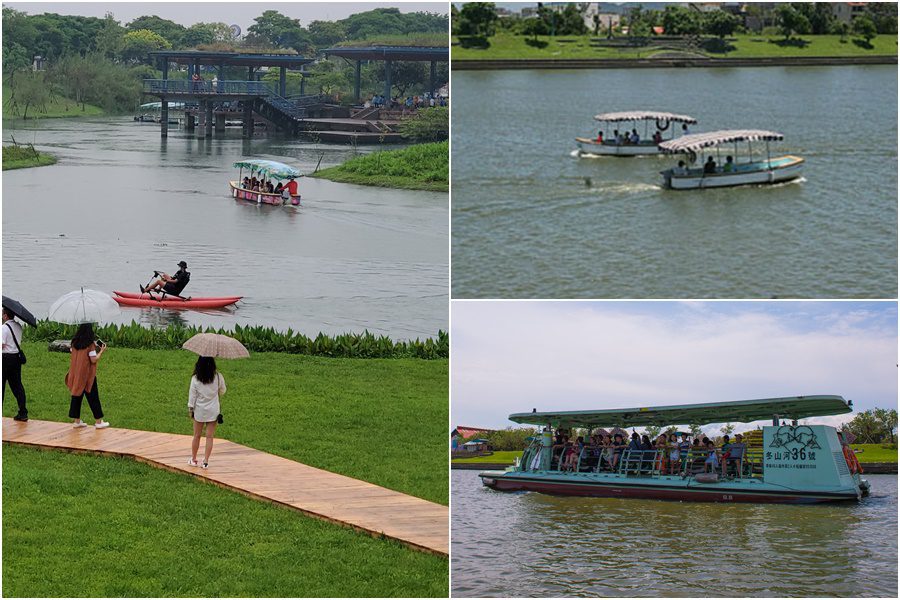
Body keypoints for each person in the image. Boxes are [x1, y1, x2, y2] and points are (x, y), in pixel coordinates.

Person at [66, 323, 109, 429]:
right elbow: (93, 360)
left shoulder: (74, 343)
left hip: (75, 373)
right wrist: (101, 352)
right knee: (93, 397)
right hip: (87, 375)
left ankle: (77, 420)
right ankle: (99, 421)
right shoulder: (90, 345)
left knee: (76, 395)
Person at [188, 356, 226, 469]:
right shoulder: (218, 377)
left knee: (197, 435)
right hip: (213, 410)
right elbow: (223, 390)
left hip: (199, 410)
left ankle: (194, 459)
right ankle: (205, 461)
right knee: (209, 437)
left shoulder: (195, 379)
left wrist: (190, 409)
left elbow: (192, 396)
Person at [2, 308, 28, 421]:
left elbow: (2, 345)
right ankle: (23, 412)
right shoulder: (18, 326)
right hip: (16, 358)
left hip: (5, 358)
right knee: (17, 386)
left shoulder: (3, 328)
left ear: (6, 316)